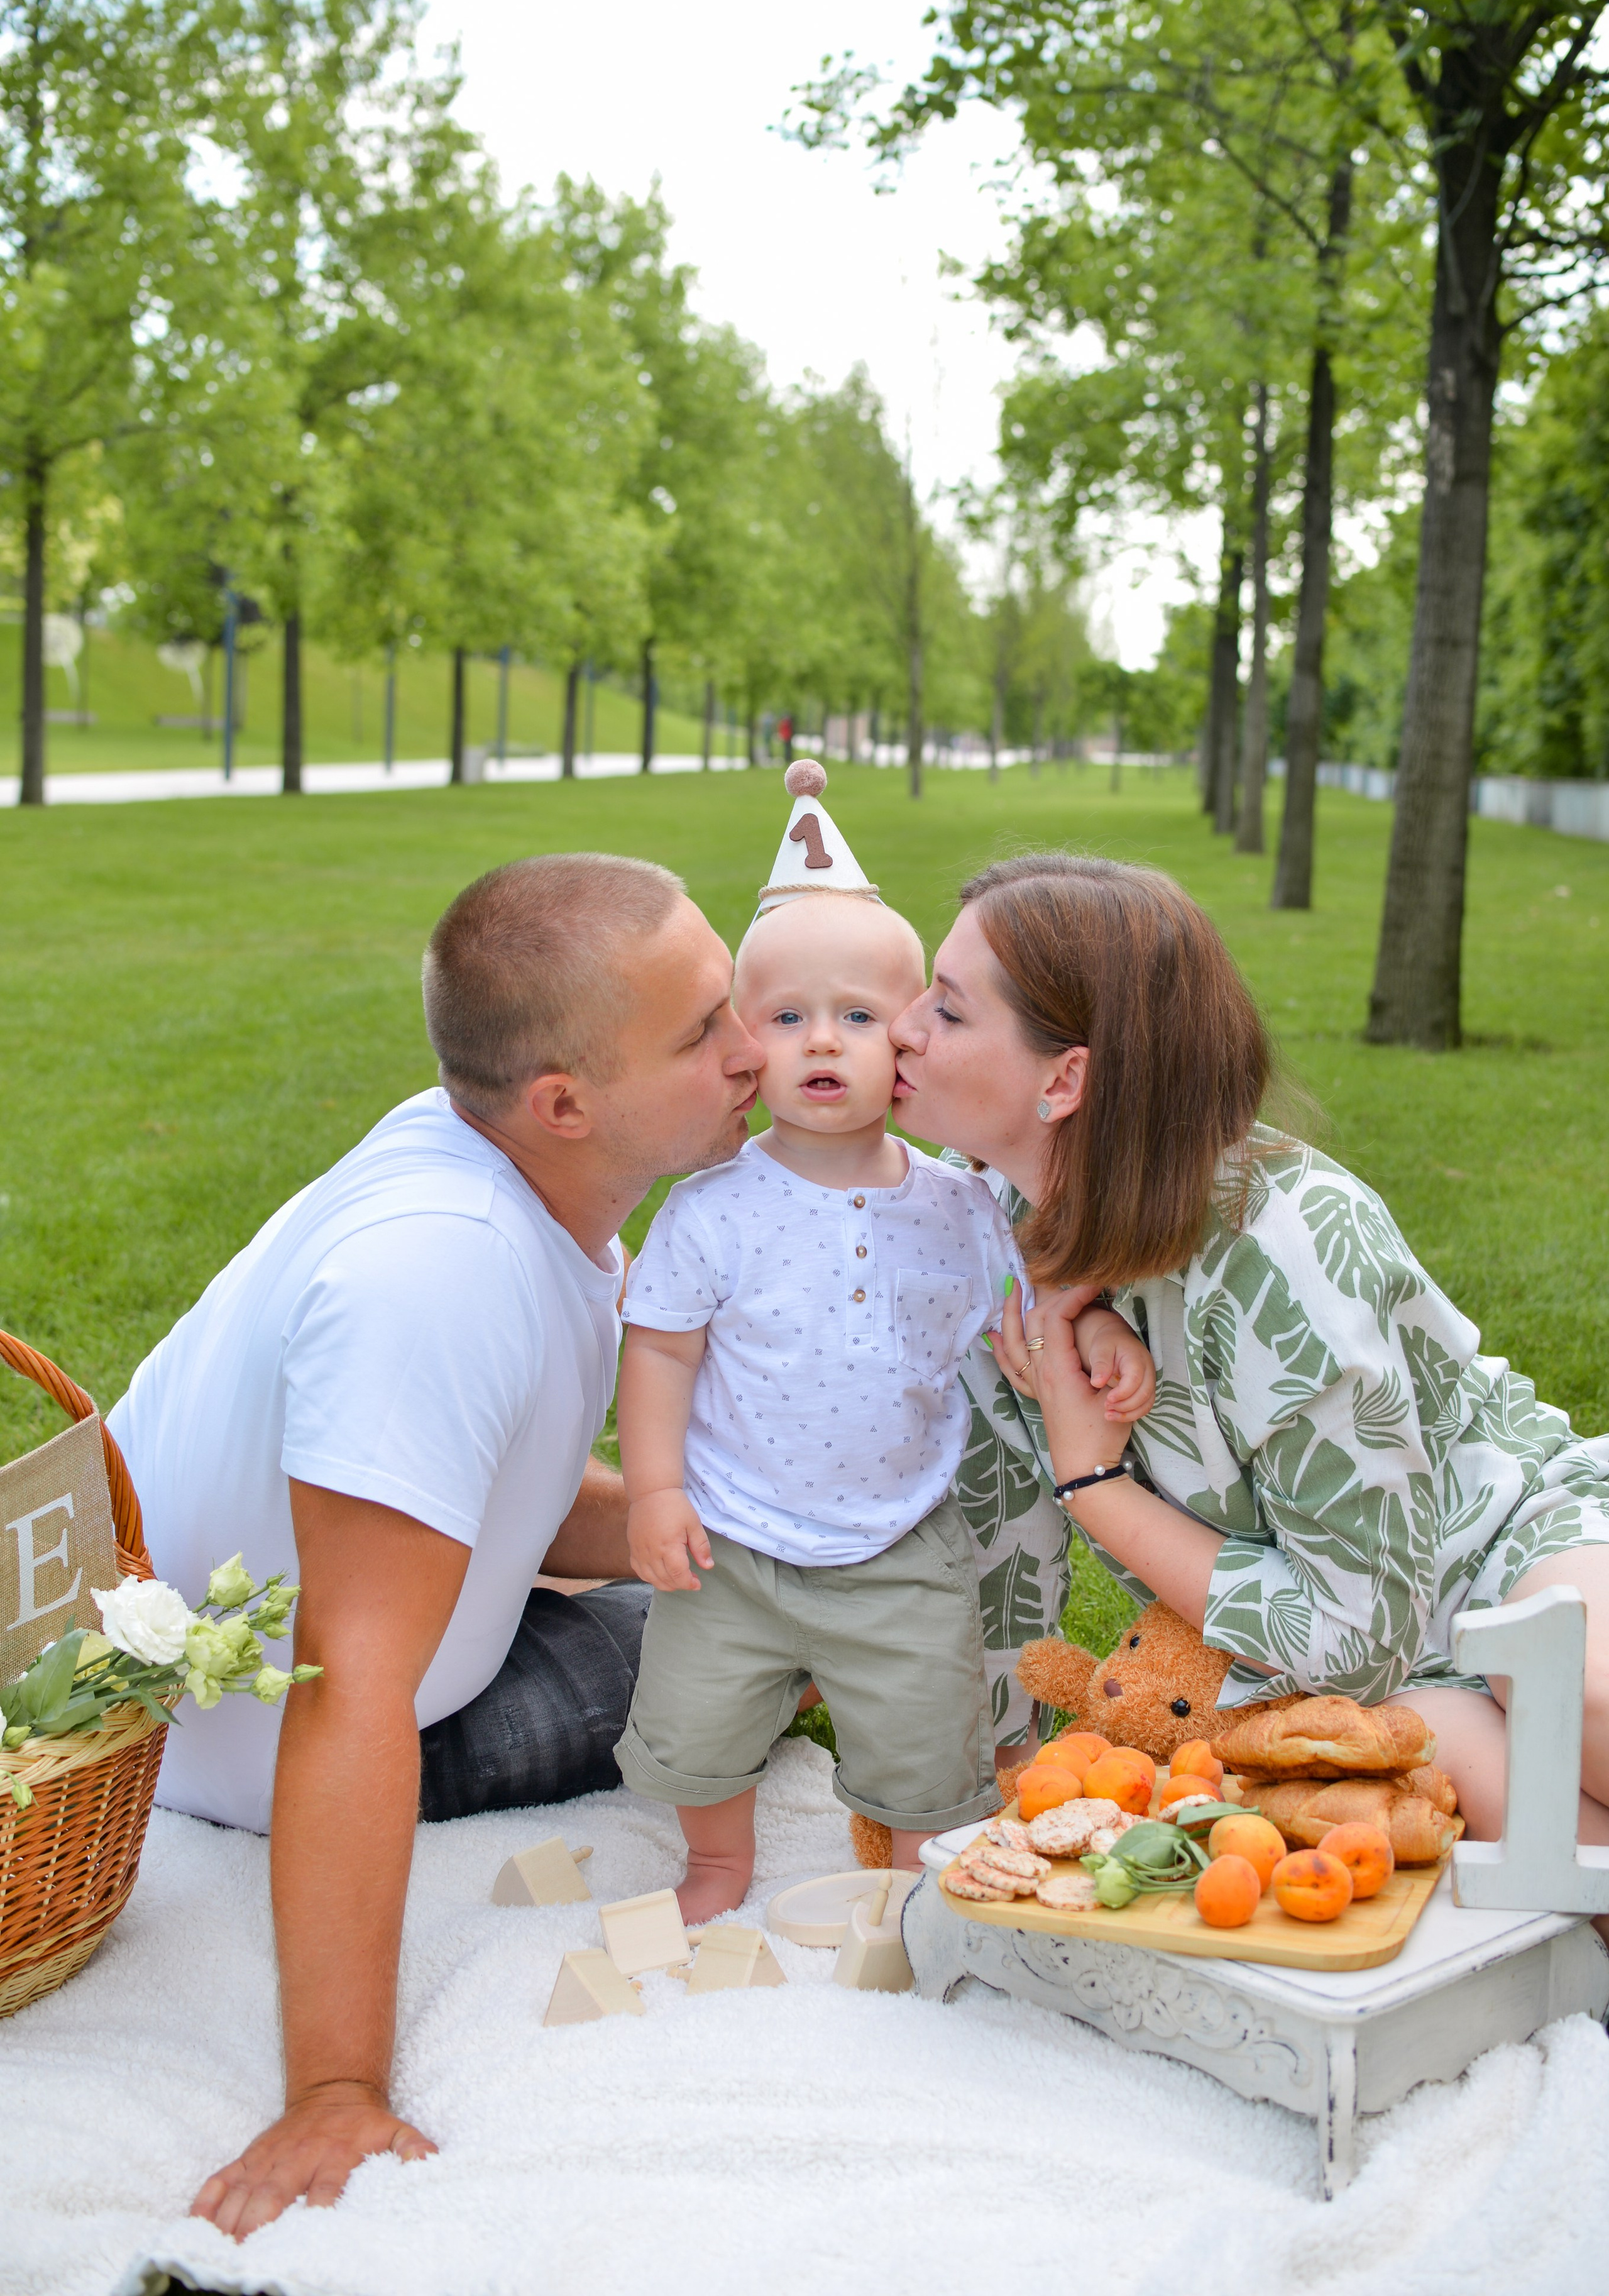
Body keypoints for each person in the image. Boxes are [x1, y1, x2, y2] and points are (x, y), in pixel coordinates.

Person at [107, 852, 764, 2238]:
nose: (756, 1050)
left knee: (775, 1604)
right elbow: (347, 1679)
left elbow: (504, 1496)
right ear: (562, 1101)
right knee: (737, 1665)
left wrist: (737, 1531)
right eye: (705, 1030)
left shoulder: (499, 1164)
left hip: (321, 1651)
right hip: (255, 1748)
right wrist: (335, 2086)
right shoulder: (440, 1270)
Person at [889, 850, 1609, 1863]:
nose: (901, 1027)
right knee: (1500, 1799)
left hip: (1494, 1544)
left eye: (949, 1010)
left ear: (1065, 1079)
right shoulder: (990, 1225)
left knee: (1578, 1691)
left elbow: (1362, 1632)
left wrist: (1094, 1481)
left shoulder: (1289, 1252)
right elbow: (997, 1546)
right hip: (1319, 1655)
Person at [613, 771, 1153, 1920]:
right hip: (735, 1539)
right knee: (696, 1717)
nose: (824, 1042)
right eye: (787, 1017)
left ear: (908, 1036)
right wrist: (655, 1490)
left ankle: (914, 1884)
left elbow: (1043, 1282)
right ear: (740, 1042)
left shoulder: (959, 1204)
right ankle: (716, 1862)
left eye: (858, 1016)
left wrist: (1092, 1320)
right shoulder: (714, 1207)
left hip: (904, 1537)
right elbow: (661, 1351)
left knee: (926, 1736)